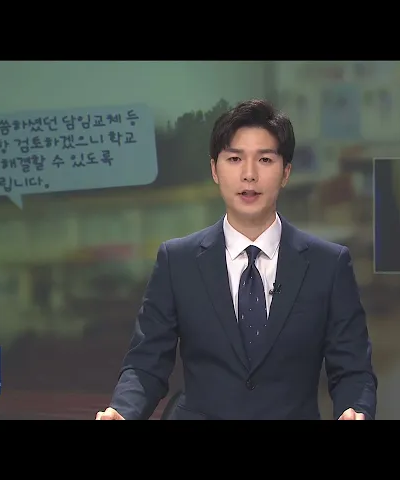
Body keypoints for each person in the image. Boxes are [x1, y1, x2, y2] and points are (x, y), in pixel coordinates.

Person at [95, 99, 377, 420]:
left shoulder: (328, 264)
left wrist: (355, 410)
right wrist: (123, 411)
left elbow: (353, 371)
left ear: (286, 172)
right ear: (215, 170)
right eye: (234, 159)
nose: (249, 175)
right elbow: (146, 364)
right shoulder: (178, 261)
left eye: (265, 159)